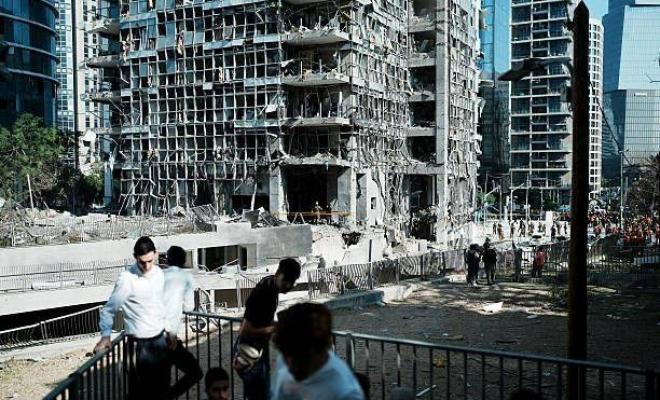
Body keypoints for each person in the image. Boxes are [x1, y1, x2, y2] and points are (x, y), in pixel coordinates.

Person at [94, 236, 169, 399]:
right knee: (141, 393)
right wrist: (106, 336)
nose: (147, 266)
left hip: (160, 341)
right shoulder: (127, 280)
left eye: (150, 261)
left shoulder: (159, 274)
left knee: (162, 390)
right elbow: (108, 310)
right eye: (142, 262)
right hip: (139, 346)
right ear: (135, 257)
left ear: (156, 254)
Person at [233, 258, 302, 400]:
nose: (289, 285)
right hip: (249, 353)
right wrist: (275, 328)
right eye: (286, 280)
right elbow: (245, 330)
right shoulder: (265, 292)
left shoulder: (270, 286)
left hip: (255, 352)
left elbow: (261, 321)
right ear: (278, 274)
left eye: (292, 281)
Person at [271, 303, 364, 400]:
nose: (288, 364)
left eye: (297, 356)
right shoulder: (287, 357)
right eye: (285, 354)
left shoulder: (345, 393)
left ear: (316, 350)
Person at [162, 246, 204, 398]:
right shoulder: (186, 278)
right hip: (168, 336)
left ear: (168, 260)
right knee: (195, 372)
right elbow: (189, 307)